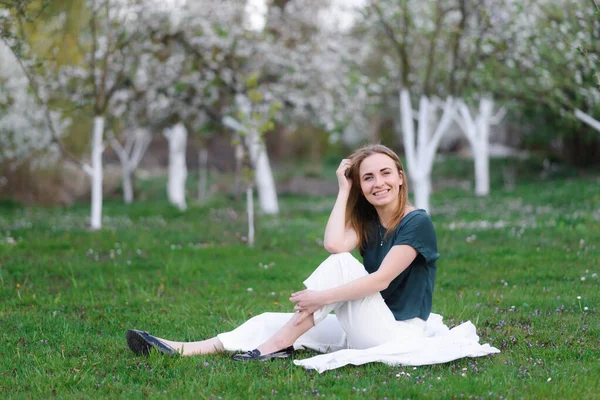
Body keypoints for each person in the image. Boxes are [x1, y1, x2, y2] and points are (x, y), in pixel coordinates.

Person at [126, 144, 462, 366]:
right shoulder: (370, 220)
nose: (378, 183)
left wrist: (321, 298)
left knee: (343, 266)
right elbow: (333, 243)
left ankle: (277, 345)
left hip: (398, 332)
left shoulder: (417, 221)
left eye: (386, 174)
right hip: (367, 323)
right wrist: (343, 190)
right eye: (367, 178)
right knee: (266, 320)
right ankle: (182, 348)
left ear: (401, 178)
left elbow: (381, 278)